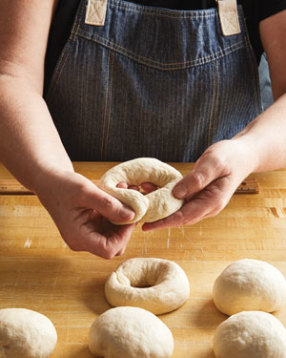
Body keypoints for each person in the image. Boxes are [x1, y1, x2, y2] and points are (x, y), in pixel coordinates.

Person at [0, 0, 286, 259]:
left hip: (224, 229)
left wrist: (249, 150)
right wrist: (47, 174)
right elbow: (11, 74)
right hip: (61, 214)